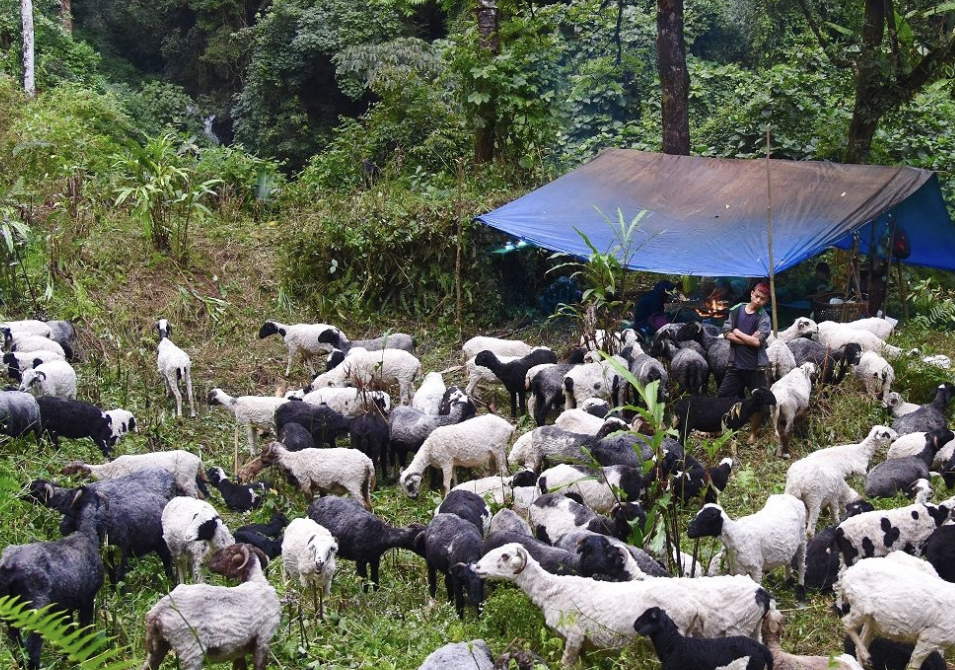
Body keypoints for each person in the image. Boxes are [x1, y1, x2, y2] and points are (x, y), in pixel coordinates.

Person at [718, 282, 772, 400]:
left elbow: (758, 342)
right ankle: (729, 418)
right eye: (757, 296)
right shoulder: (737, 311)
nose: (758, 300)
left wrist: (738, 333)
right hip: (735, 366)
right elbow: (726, 333)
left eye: (762, 299)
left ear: (766, 301)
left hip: (755, 369)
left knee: (760, 402)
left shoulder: (764, 318)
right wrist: (750, 339)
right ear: (752, 294)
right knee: (722, 397)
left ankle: (756, 418)